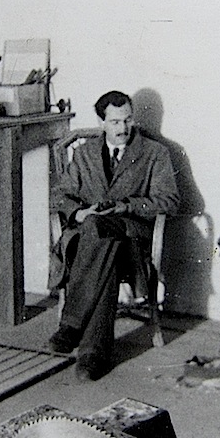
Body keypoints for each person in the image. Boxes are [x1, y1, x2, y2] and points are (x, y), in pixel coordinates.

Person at [47, 90, 180, 381]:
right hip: (95, 240)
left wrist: (126, 206)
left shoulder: (154, 153)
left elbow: (170, 201)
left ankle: (72, 325)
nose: (123, 128)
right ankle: (92, 354)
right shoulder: (84, 154)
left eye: (128, 120)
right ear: (101, 122)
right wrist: (78, 213)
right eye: (115, 122)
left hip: (131, 235)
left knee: (99, 232)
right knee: (99, 235)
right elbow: (59, 196)